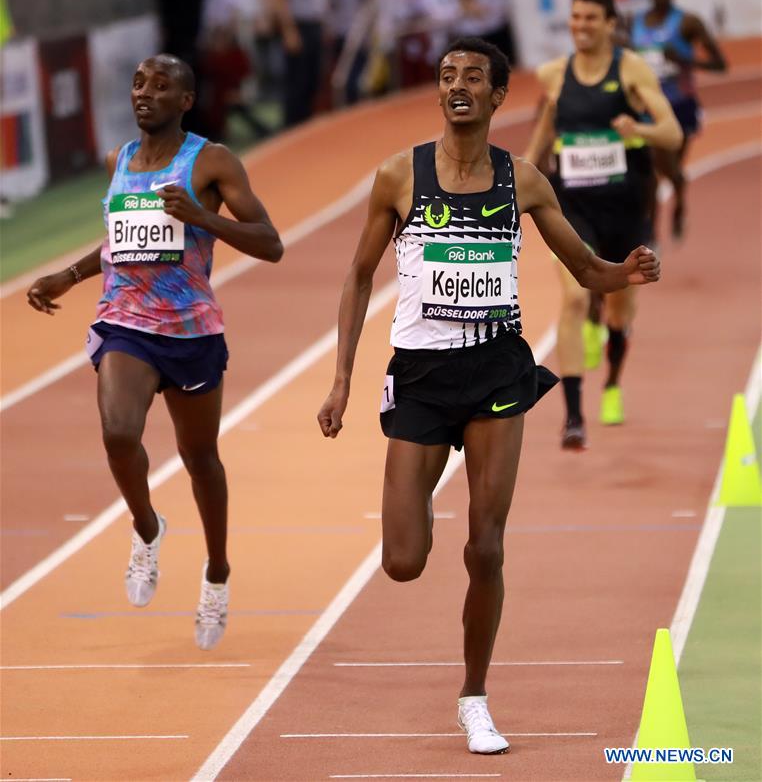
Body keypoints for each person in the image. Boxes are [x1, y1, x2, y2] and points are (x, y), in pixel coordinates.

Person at [317, 37, 660, 754]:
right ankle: (424, 498)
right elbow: (357, 276)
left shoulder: (522, 180)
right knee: (403, 560)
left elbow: (586, 269)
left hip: (498, 372)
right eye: (448, 76)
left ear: (498, 96)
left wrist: (625, 271)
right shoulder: (399, 176)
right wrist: (343, 378)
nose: (458, 85)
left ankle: (474, 696)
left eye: (473, 76)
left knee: (486, 546)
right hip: (420, 376)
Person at [26, 54, 283, 648]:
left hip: (191, 331)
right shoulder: (119, 160)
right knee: (119, 434)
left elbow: (270, 243)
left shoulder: (211, 160)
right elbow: (120, 242)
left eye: (161, 86)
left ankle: (217, 572)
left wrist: (201, 217)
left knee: (200, 458)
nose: (145, 93)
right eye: (139, 83)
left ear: (185, 101)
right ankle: (147, 528)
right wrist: (69, 275)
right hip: (126, 323)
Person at [524, 0, 681, 449]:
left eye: (591, 18)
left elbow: (671, 133)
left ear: (611, 23)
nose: (581, 26)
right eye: (575, 17)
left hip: (626, 209)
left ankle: (612, 383)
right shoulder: (553, 74)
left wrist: (638, 129)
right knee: (573, 299)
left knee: (620, 309)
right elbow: (541, 139)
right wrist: (517, 183)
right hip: (573, 208)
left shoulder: (631, 70)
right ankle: (574, 417)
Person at [630, 0, 727, 239]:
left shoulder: (688, 23)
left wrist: (685, 59)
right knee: (650, 172)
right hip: (647, 109)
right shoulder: (635, 22)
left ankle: (679, 201)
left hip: (680, 107)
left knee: (671, 169)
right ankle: (650, 232)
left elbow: (720, 64)